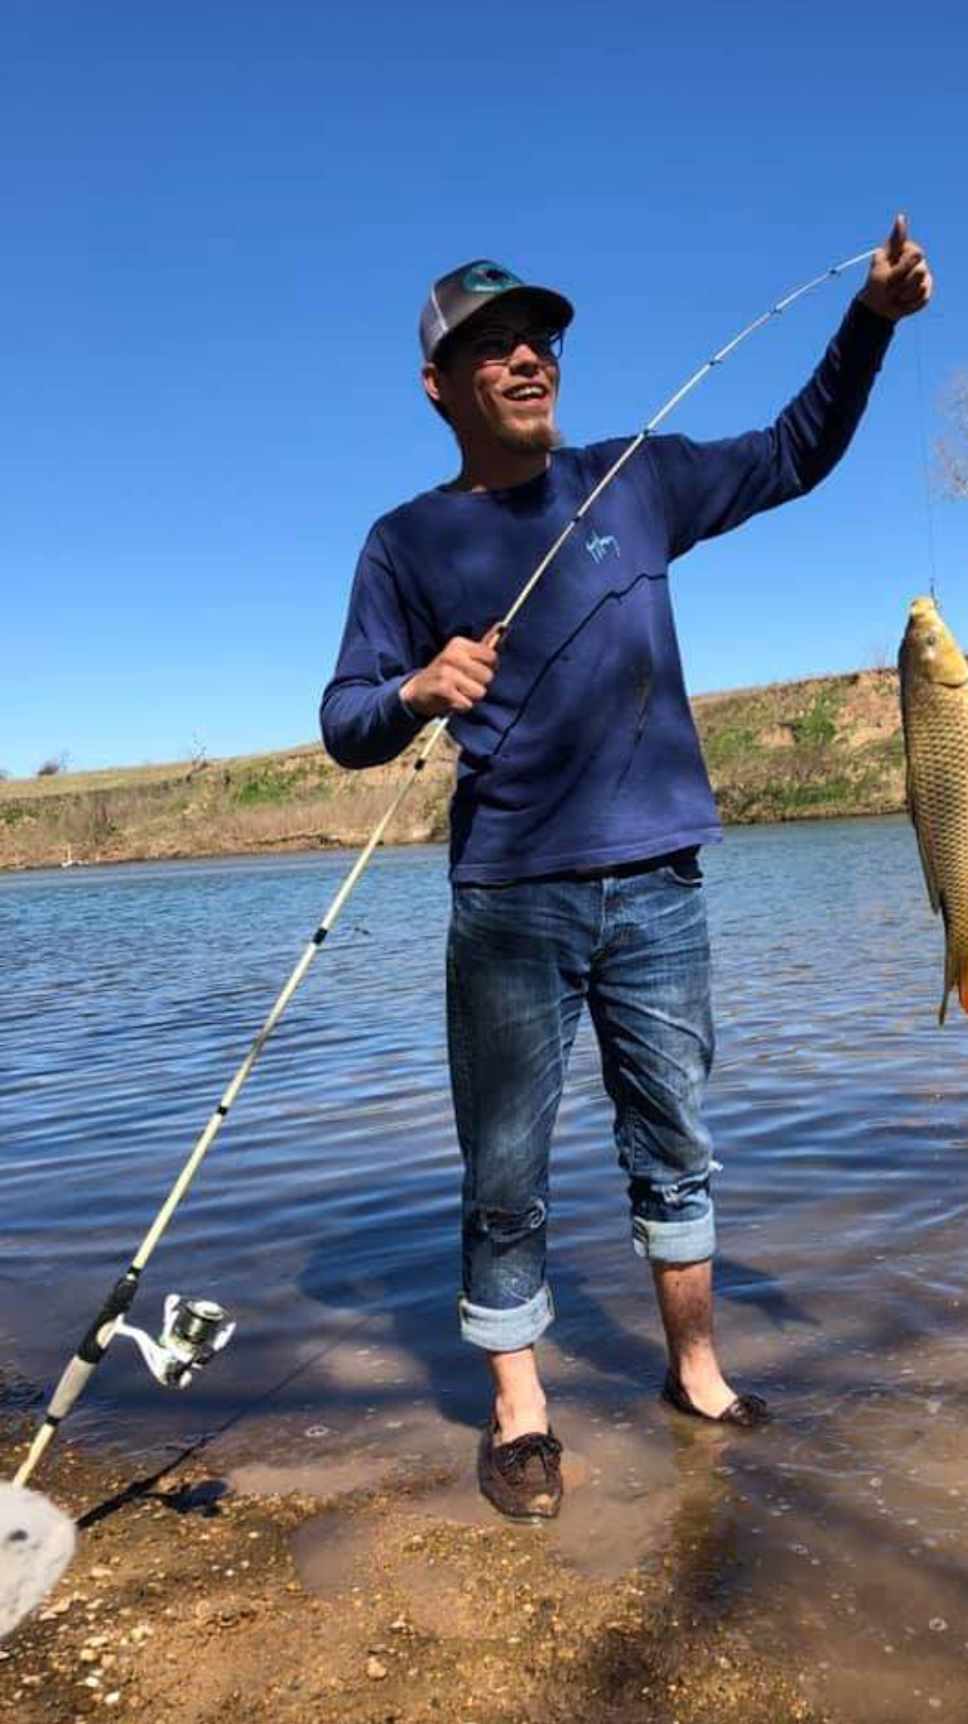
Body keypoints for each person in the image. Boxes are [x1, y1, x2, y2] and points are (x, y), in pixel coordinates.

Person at [321, 220, 933, 1520]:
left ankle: (695, 1373)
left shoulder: (635, 481)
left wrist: (869, 322)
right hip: (509, 903)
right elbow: (342, 721)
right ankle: (519, 1411)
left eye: (538, 336)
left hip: (660, 885)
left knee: (677, 1148)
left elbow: (792, 451)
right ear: (441, 385)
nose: (527, 357)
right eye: (490, 347)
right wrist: (417, 690)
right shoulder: (406, 542)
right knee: (505, 1171)